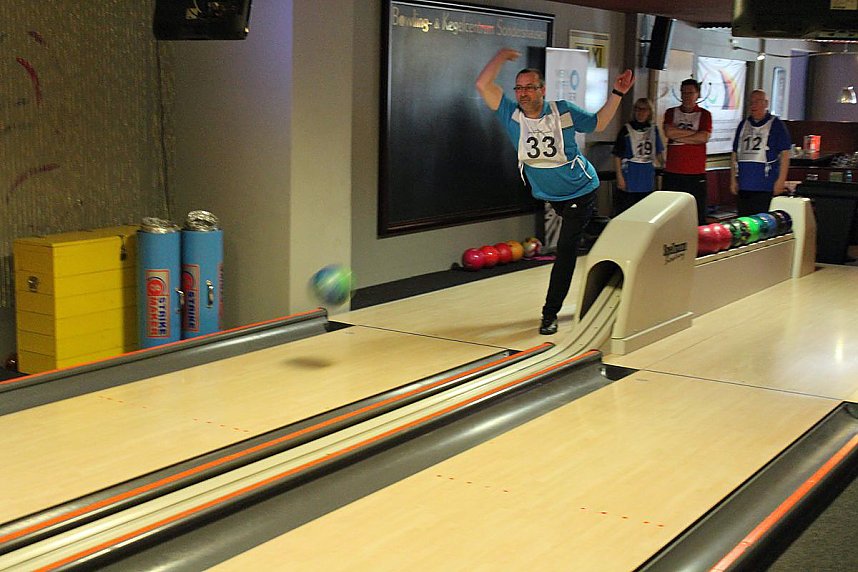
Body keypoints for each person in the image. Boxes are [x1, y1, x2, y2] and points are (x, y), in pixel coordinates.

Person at [475, 47, 634, 335]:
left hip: (580, 190)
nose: (523, 93)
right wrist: (499, 56)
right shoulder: (511, 115)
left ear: (542, 89)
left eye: (530, 88)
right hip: (552, 197)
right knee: (591, 231)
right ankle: (619, 232)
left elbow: (599, 123)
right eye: (519, 88)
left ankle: (549, 314)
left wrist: (617, 94)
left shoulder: (563, 111)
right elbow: (482, 85)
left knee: (566, 251)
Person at [730, 89, 792, 216]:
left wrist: (781, 180)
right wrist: (732, 179)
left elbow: (785, 154)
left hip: (765, 186)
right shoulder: (743, 125)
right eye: (751, 102)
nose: (753, 105)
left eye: (757, 101)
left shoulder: (776, 125)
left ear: (766, 103)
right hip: (744, 185)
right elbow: (735, 154)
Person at [662, 78, 712, 225]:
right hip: (673, 171)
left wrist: (679, 135)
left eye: (690, 93)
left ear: (697, 94)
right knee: (670, 213)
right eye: (684, 93)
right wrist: (693, 135)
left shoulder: (704, 114)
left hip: (695, 173)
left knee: (697, 213)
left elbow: (704, 137)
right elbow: (668, 132)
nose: (687, 97)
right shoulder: (671, 112)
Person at [612, 97, 664, 215]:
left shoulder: (653, 129)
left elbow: (659, 151)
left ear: (649, 112)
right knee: (627, 208)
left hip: (646, 173)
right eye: (637, 109)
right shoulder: (626, 129)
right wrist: (619, 176)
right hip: (630, 173)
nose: (640, 112)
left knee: (645, 209)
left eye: (644, 109)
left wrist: (663, 164)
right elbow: (617, 155)